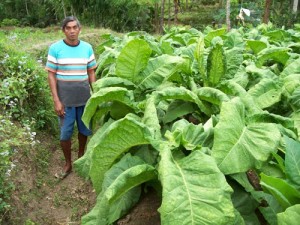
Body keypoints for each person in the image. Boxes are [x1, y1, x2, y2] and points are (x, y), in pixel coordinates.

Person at [45, 16, 97, 179]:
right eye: (68, 28)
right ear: (64, 30)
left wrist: (95, 94)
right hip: (65, 100)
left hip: (84, 97)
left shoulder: (87, 48)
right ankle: (68, 163)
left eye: (75, 27)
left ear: (79, 29)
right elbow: (51, 75)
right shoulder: (55, 48)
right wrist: (56, 100)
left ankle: (81, 155)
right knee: (65, 134)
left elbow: (91, 72)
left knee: (84, 130)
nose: (72, 31)